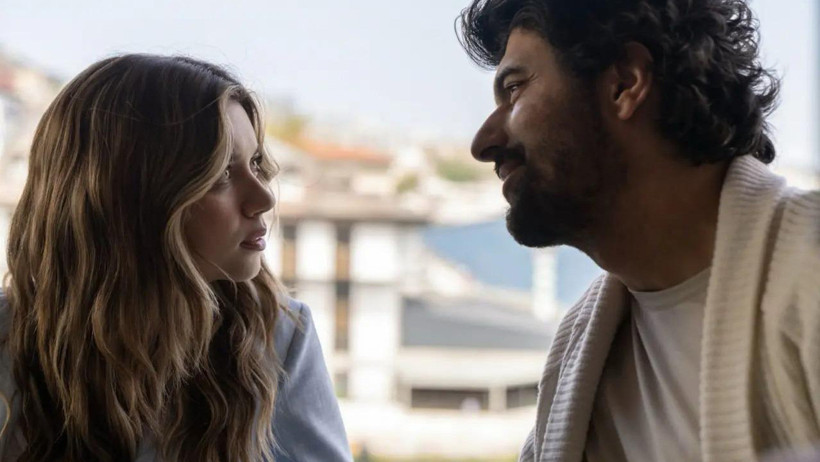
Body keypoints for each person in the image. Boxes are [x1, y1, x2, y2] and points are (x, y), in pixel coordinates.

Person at [458, 0, 820, 461]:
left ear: (625, 83)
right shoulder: (577, 354)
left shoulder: (808, 272)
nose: (483, 143)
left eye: (514, 89)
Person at [0, 54, 352, 462]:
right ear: (131, 198)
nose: (263, 198)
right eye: (222, 173)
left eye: (256, 163)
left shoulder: (278, 336)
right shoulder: (8, 339)